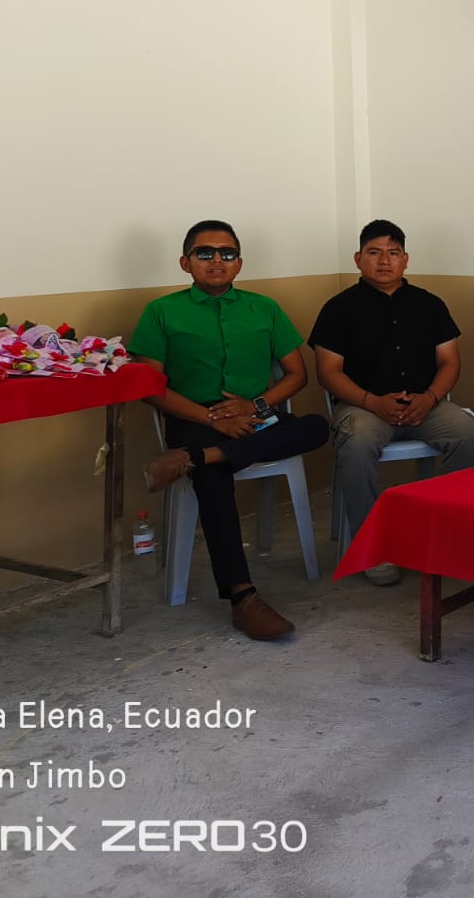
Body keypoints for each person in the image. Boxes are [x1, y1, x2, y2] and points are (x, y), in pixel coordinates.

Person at [133, 220, 330, 641]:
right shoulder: (161, 312)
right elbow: (149, 387)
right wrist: (213, 419)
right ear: (185, 263)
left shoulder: (265, 308)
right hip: (194, 418)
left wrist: (254, 406)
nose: (217, 260)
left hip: (256, 415)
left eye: (227, 253)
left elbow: (297, 375)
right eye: (205, 253)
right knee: (214, 475)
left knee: (316, 426)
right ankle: (242, 597)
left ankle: (194, 460)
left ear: (239, 263)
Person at [310, 220, 474, 585]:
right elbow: (328, 372)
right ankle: (373, 548)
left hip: (425, 405)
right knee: (356, 444)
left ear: (405, 259)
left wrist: (430, 398)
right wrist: (372, 401)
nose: (384, 261)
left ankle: (447, 537)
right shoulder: (338, 309)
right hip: (362, 407)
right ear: (358, 259)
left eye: (393, 253)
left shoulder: (429, 304)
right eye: (374, 252)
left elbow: (450, 361)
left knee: (469, 433)